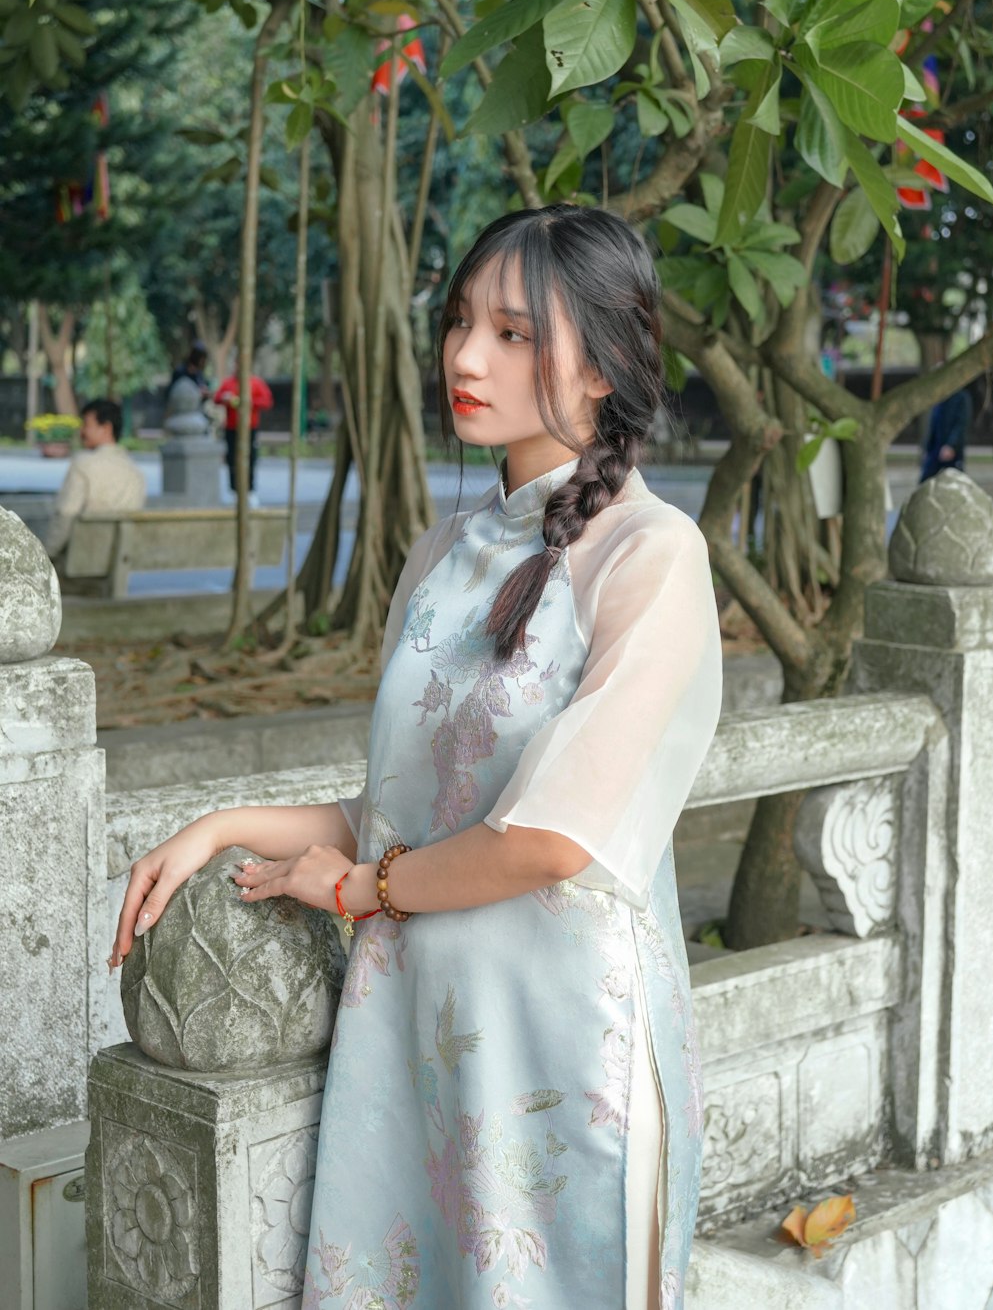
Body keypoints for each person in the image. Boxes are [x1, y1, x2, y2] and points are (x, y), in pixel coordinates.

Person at [110, 206, 723, 1309]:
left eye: (515, 333)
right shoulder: (443, 552)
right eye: (457, 322)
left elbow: (545, 838)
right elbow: (407, 810)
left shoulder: (649, 552)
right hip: (414, 1031)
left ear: (607, 367)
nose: (464, 357)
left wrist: (355, 892)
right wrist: (222, 828)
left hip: (560, 1043)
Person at [45, 397, 145, 557]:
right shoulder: (135, 472)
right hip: (117, 564)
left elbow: (65, 516)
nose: (81, 431)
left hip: (78, 565)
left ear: (106, 428)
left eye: (86, 425)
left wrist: (44, 555)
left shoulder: (83, 465)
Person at [213, 365, 274, 500]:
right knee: (231, 458)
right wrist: (226, 399)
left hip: (249, 427)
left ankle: (250, 490)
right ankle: (233, 490)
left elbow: (267, 401)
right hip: (231, 428)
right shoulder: (228, 383)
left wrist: (249, 402)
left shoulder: (255, 383)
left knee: (251, 457)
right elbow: (216, 398)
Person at [920, 383, 974, 482]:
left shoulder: (961, 398)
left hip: (952, 449)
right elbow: (933, 425)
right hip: (936, 447)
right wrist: (928, 448)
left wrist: (951, 445)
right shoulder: (940, 398)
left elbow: (961, 425)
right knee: (925, 480)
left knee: (955, 481)